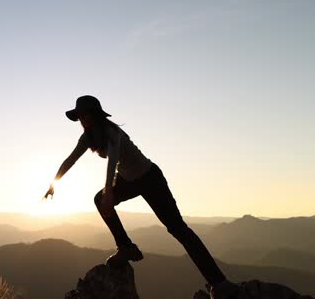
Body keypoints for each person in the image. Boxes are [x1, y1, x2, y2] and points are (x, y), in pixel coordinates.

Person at [44, 95, 239, 299]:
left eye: (83, 115)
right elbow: (71, 159)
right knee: (99, 200)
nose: (81, 120)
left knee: (178, 229)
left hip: (150, 178)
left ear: (93, 114)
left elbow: (112, 161)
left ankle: (219, 283)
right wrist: (53, 183)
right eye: (79, 117)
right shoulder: (88, 137)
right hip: (127, 180)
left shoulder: (113, 132)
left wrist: (109, 190)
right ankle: (126, 247)